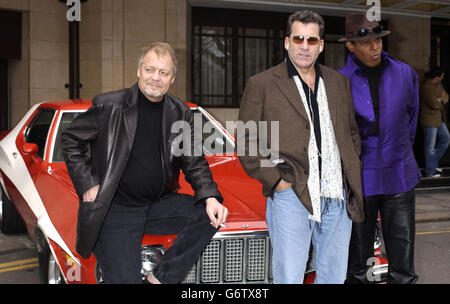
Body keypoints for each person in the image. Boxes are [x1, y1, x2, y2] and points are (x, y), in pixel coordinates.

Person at [61, 42, 228, 284]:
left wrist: (210, 196)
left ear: (172, 79)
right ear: (139, 71)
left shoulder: (180, 113)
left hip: (159, 203)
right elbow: (71, 139)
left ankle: (159, 278)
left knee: (211, 213)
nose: (155, 78)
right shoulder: (110, 106)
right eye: (150, 70)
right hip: (117, 208)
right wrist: (87, 183)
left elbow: (192, 160)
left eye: (163, 72)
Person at [237, 10, 364, 284]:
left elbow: (351, 132)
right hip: (291, 194)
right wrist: (277, 181)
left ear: (321, 45)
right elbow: (247, 140)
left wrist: (349, 168)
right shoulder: (262, 84)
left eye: (311, 40)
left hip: (336, 195)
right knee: (289, 277)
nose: (304, 46)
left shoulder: (339, 83)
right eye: (298, 39)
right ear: (287, 42)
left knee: (333, 276)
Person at [339, 13, 421, 284]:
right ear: (351, 45)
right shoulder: (339, 82)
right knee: (358, 254)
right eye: (367, 43)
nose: (375, 47)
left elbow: (411, 121)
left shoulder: (405, 73)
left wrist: (398, 152)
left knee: (402, 251)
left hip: (399, 171)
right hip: (360, 175)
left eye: (378, 41)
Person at [420, 66, 449, 177]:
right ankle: (430, 171)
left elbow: (446, 97)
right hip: (429, 120)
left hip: (439, 118)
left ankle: (432, 163)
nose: (442, 78)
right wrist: (440, 99)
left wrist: (440, 99)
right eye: (442, 76)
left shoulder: (438, 85)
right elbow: (434, 104)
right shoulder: (427, 86)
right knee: (430, 147)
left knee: (446, 139)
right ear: (438, 76)